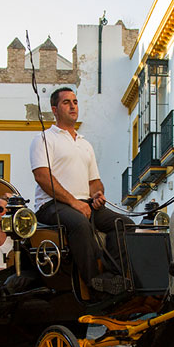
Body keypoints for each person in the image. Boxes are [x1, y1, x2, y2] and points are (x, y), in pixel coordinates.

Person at [30, 87, 133, 295]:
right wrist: (73, 202)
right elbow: (42, 176)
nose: (73, 106)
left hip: (83, 204)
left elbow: (94, 181)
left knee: (124, 224)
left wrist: (97, 195)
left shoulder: (85, 143)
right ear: (55, 109)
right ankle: (94, 281)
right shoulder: (44, 139)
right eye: (66, 102)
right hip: (50, 205)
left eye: (75, 102)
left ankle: (115, 276)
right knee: (79, 223)